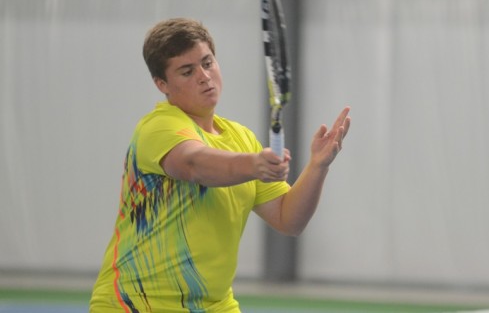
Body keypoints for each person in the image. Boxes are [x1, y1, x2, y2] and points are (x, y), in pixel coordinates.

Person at [89, 18, 351, 312]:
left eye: (207, 62)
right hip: (136, 303)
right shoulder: (158, 127)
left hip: (213, 305)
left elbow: (289, 219)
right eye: (187, 71)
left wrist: (317, 166)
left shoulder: (241, 139)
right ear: (162, 84)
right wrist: (255, 165)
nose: (204, 76)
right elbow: (194, 164)